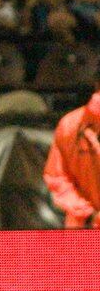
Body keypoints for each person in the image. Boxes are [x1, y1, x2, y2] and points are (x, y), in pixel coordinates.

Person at [43, 63, 100, 229]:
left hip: (82, 229)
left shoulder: (69, 123)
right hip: (84, 226)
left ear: (96, 84)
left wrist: (89, 215)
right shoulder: (70, 125)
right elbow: (57, 178)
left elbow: (57, 178)